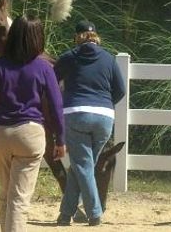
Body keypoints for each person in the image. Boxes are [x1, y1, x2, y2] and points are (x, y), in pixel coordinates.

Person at [0, 15, 66, 232]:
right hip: (30, 135)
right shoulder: (44, 68)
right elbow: (56, 106)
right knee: (20, 199)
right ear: (38, 38)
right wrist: (60, 139)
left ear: (12, 35)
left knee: (6, 194)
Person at [54, 20, 126, 226]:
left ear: (78, 37)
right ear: (95, 36)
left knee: (82, 165)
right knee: (82, 166)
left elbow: (50, 84)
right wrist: (104, 104)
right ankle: (65, 214)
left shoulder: (69, 57)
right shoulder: (109, 59)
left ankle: (95, 213)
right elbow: (120, 90)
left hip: (76, 114)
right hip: (104, 117)